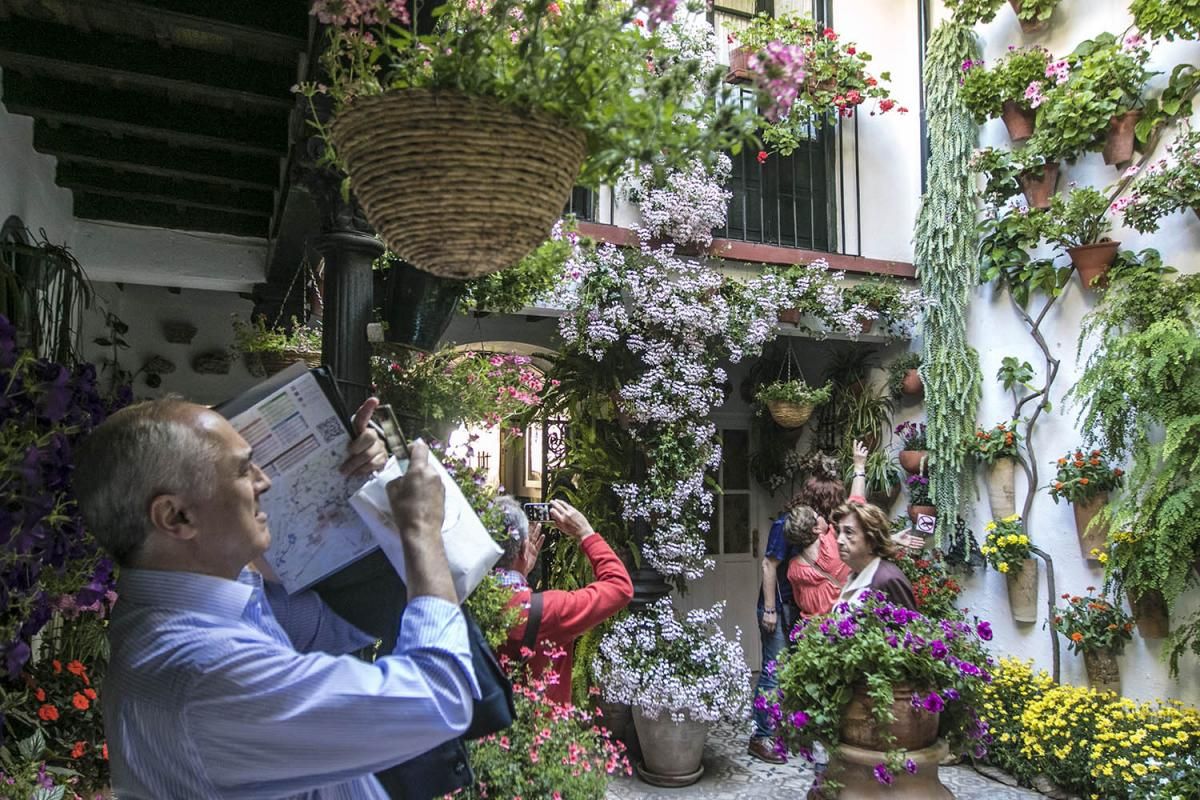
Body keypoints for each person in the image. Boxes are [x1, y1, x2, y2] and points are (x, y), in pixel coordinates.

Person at [72, 396, 479, 799]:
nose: (262, 481)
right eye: (241, 470)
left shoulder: (198, 607)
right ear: (176, 517)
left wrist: (353, 480)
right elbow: (439, 697)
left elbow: (344, 624)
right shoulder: (206, 670)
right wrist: (421, 530)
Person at [747, 442, 868, 764]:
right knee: (774, 671)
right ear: (821, 503)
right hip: (778, 606)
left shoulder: (824, 531)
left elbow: (856, 505)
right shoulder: (787, 526)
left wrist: (859, 466)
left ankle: (790, 729)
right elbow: (769, 565)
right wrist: (770, 609)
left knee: (796, 672)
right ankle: (762, 737)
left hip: (800, 609)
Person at [495, 498, 632, 704]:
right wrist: (586, 533)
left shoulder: (466, 599)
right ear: (524, 549)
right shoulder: (549, 611)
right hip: (538, 729)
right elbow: (619, 587)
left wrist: (521, 570)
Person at [833, 499, 918, 610]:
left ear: (871, 540)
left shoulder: (887, 579)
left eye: (848, 532)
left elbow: (909, 625)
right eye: (839, 532)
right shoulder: (856, 574)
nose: (839, 540)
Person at [784, 503, 850, 621]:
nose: (821, 516)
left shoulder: (794, 569)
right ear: (816, 529)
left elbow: (799, 602)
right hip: (843, 622)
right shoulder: (832, 542)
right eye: (818, 515)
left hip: (813, 631)